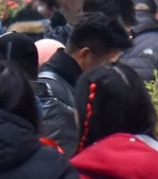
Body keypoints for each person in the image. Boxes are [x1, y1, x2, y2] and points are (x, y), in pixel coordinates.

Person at [36, 13, 131, 155]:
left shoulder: (75, 85)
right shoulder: (50, 93)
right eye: (110, 64)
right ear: (84, 55)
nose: (113, 71)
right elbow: (64, 160)